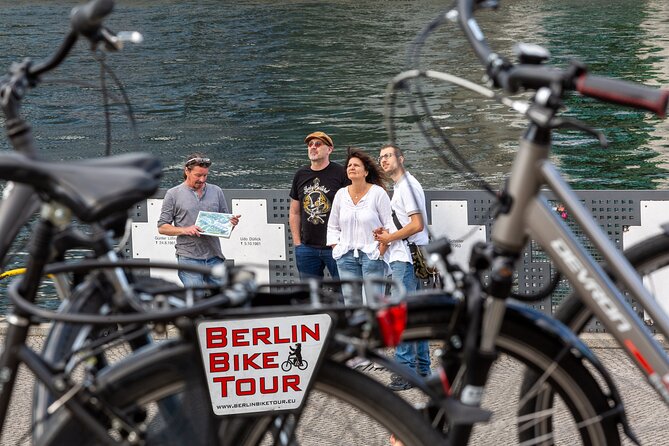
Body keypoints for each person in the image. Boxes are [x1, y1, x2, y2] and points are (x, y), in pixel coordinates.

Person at [374, 144, 431, 391]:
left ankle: (404, 371)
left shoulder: (406, 186)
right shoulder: (403, 186)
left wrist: (389, 238)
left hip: (405, 259)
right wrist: (389, 234)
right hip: (409, 256)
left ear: (401, 158)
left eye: (388, 156)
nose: (384, 160)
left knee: (401, 314)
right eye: (381, 158)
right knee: (413, 314)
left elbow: (417, 224)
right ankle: (422, 370)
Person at [158, 152, 240, 289]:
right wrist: (185, 230)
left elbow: (225, 224)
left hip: (215, 256)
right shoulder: (173, 194)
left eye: (205, 175)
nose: (202, 179)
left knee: (223, 298)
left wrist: (231, 224)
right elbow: (162, 227)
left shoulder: (217, 191)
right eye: (198, 175)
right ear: (187, 171)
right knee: (196, 299)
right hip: (189, 258)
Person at [327, 148, 392, 303]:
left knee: (374, 303)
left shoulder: (378, 193)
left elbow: (389, 225)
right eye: (349, 166)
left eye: (356, 165)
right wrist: (336, 248)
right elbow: (332, 226)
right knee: (351, 305)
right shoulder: (341, 194)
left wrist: (381, 251)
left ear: (366, 172)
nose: (351, 168)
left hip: (373, 255)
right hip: (346, 256)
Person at [289, 131, 348, 280]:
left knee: (343, 292)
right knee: (310, 295)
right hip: (307, 248)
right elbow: (295, 212)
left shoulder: (341, 173)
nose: (313, 147)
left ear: (329, 149)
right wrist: (298, 243)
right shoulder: (300, 175)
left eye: (318, 144)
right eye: (310, 145)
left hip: (335, 246)